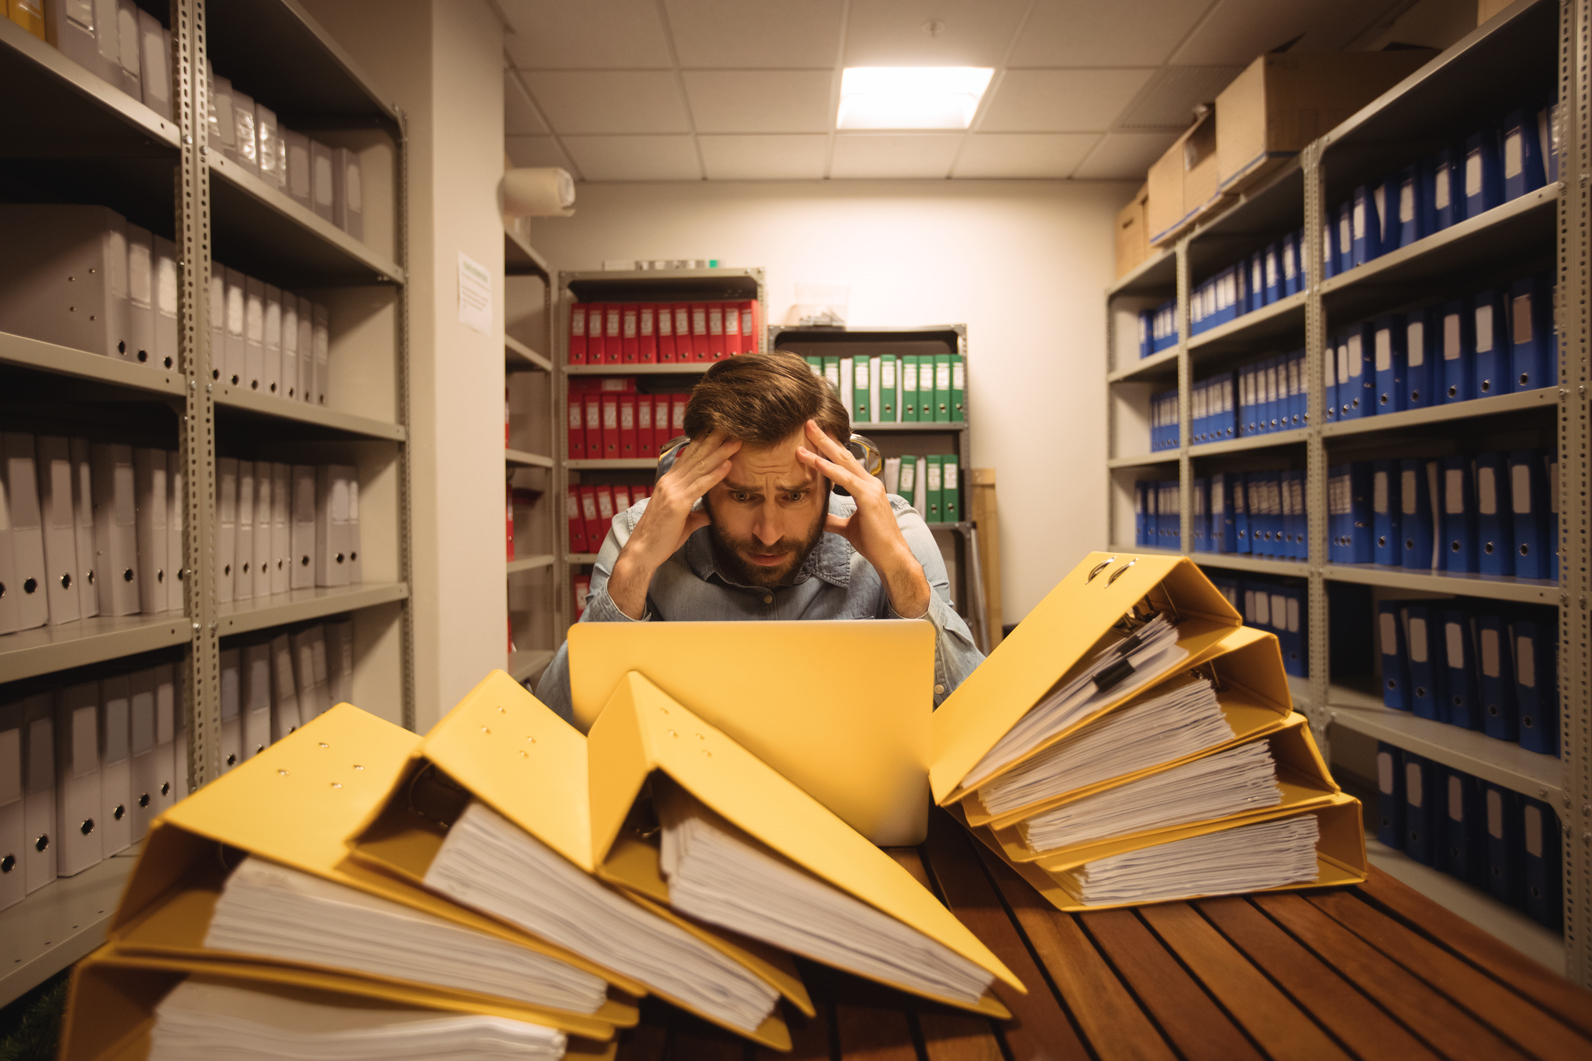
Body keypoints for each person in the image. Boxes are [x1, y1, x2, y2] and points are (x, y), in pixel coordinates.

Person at [536, 350, 982, 721]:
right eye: (743, 497)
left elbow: (973, 722)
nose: (768, 534)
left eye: (794, 496)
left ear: (835, 482)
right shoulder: (638, 536)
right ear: (699, 480)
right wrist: (634, 569)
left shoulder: (895, 534)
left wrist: (902, 574)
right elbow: (556, 728)